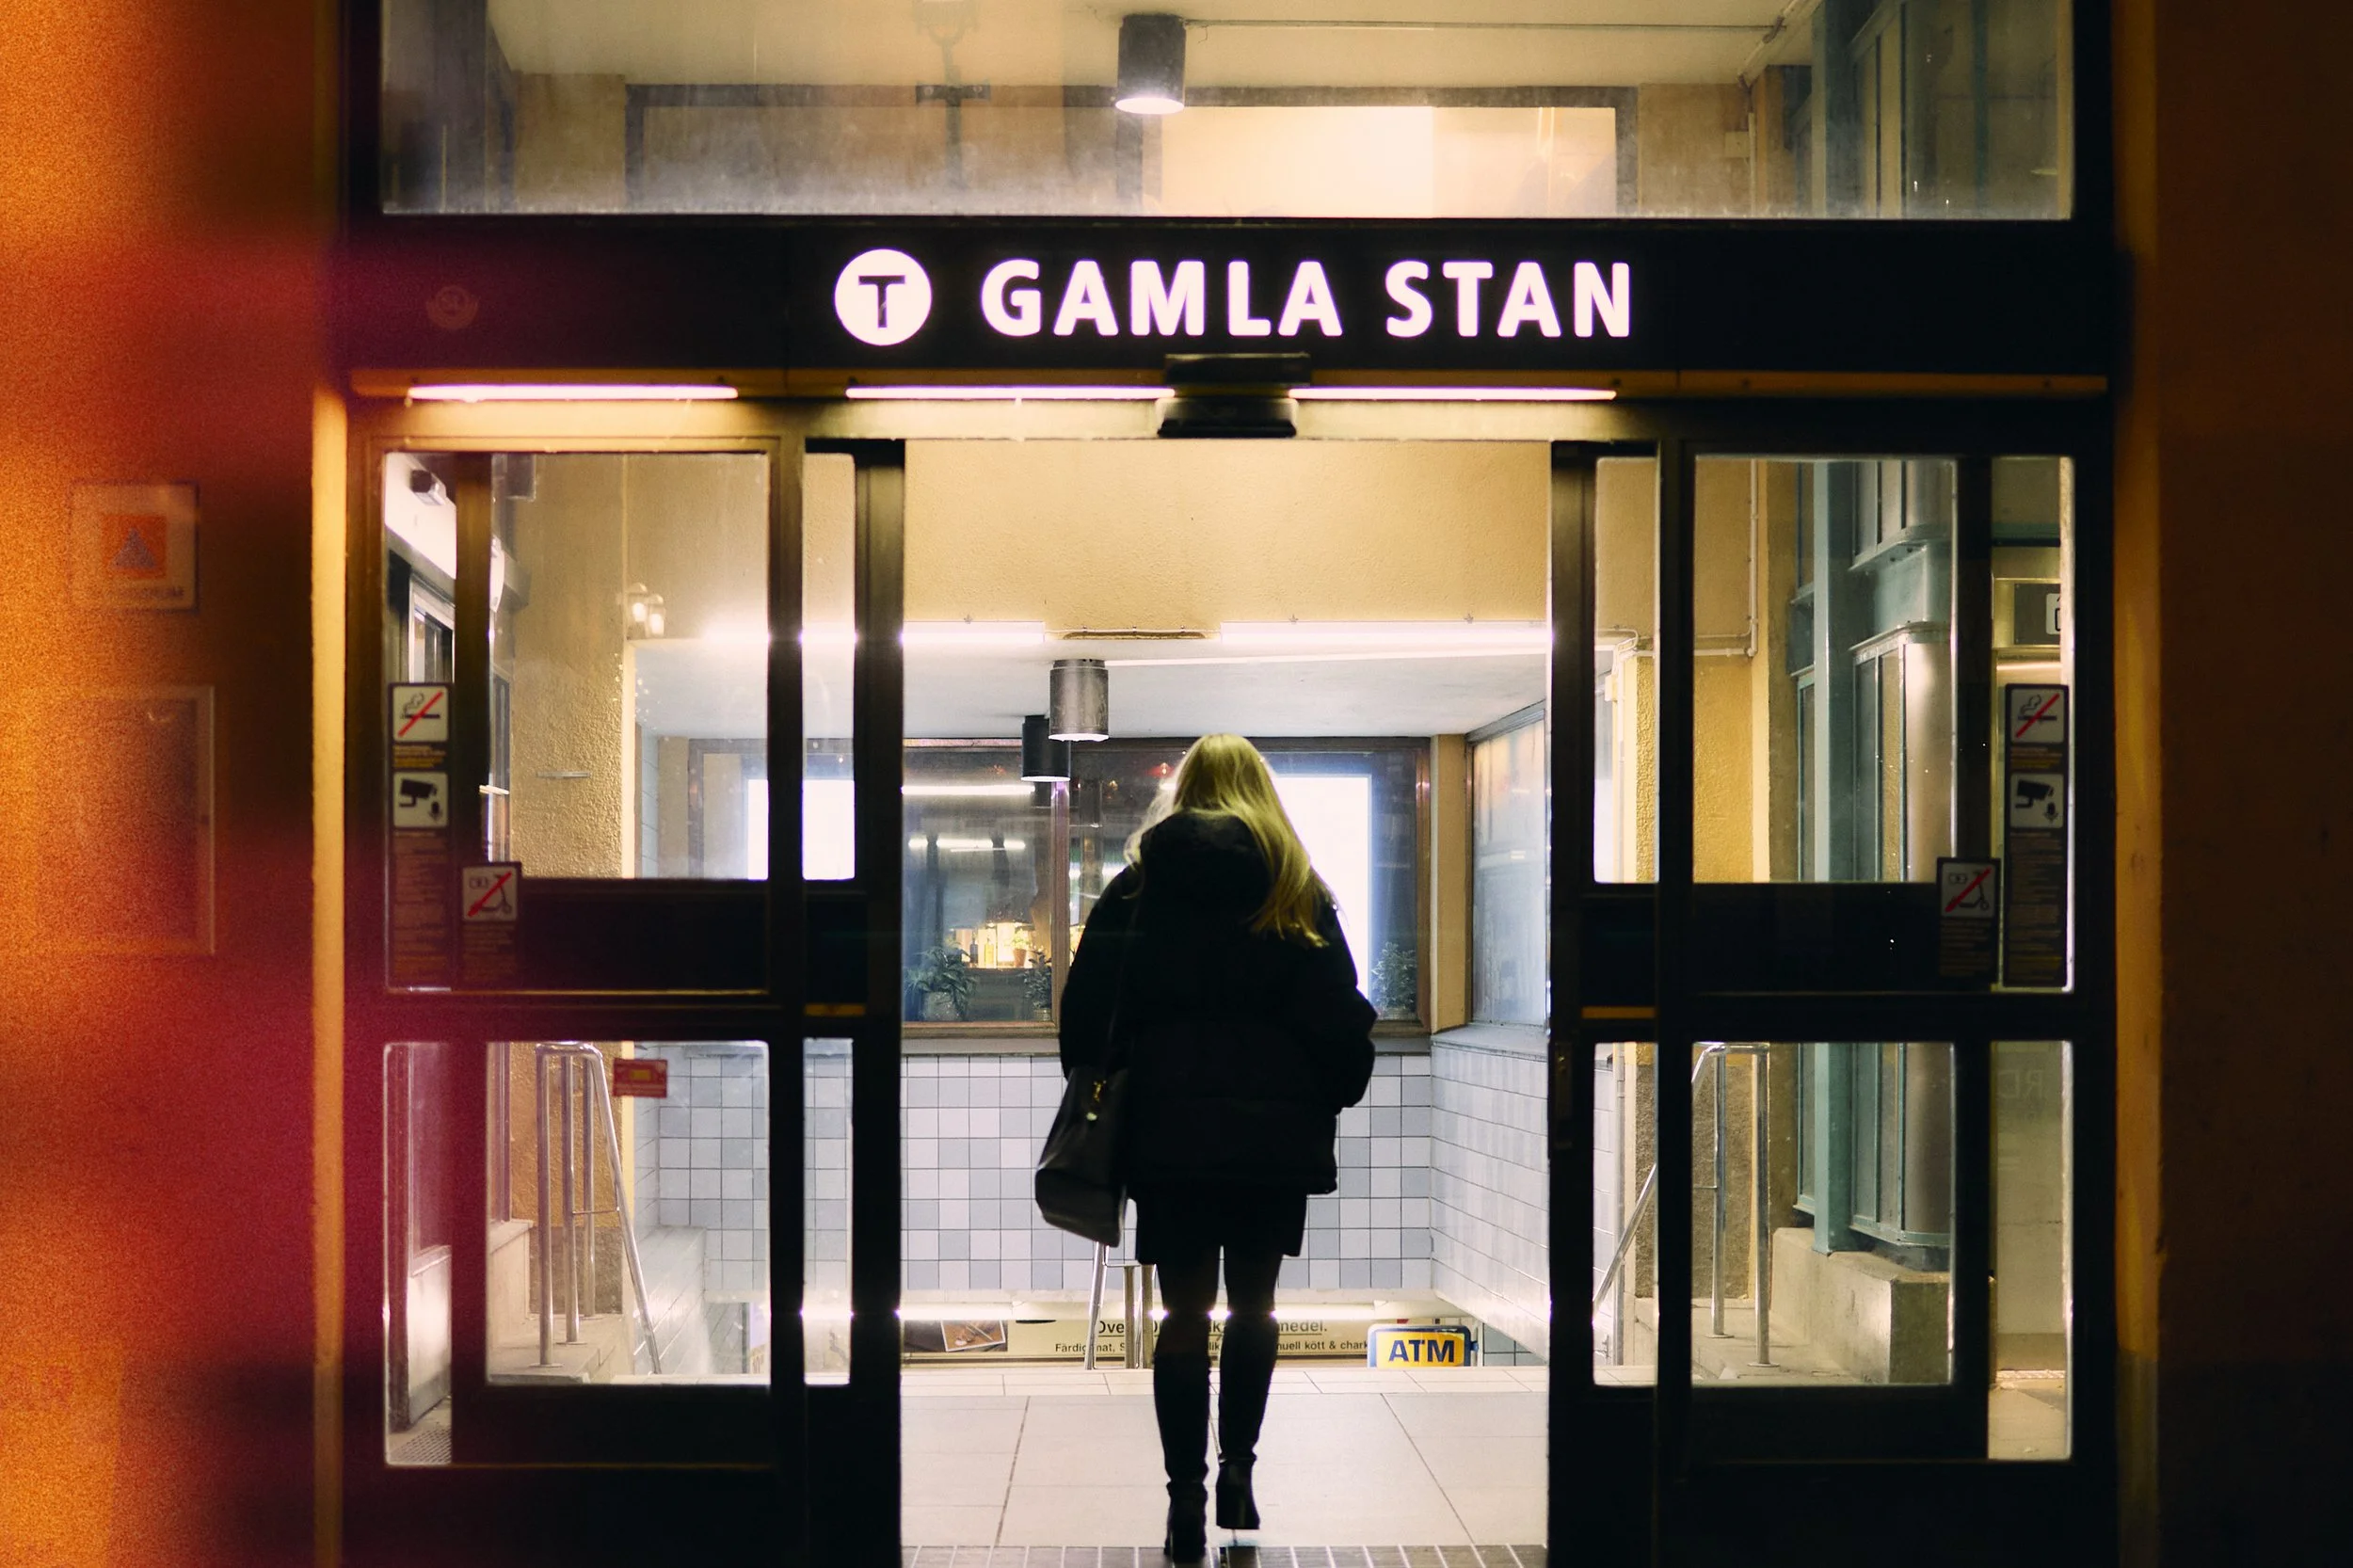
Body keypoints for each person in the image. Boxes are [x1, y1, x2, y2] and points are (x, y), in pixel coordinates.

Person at [1058, 734, 1377, 1562]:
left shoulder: (1137, 888)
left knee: (1184, 1314)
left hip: (1170, 1133)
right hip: (1274, 1137)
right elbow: (1338, 1015)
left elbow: (1089, 1010)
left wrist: (1107, 1083)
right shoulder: (1297, 892)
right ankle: (1238, 1469)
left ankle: (1184, 1500)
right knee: (1254, 1308)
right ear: (1262, 794)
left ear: (1185, 792)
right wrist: (1333, 1086)